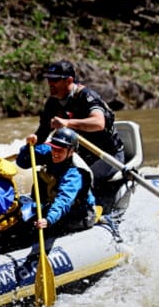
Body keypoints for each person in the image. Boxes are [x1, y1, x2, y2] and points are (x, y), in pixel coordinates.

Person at [35, 60, 125, 206]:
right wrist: (32, 144)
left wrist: (67, 123)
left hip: (108, 155)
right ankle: (41, 209)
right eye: (49, 80)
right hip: (79, 154)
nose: (50, 84)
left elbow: (99, 123)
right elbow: (43, 132)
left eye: (55, 80)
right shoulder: (52, 102)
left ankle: (87, 212)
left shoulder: (87, 96)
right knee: (44, 174)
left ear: (69, 80)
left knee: (79, 179)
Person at [16, 128, 97, 239]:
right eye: (54, 148)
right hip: (50, 204)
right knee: (22, 225)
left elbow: (64, 200)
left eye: (60, 150)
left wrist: (48, 219)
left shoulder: (75, 173)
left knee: (45, 231)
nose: (55, 153)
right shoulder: (49, 152)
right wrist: (27, 146)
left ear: (71, 151)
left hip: (77, 213)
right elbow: (22, 162)